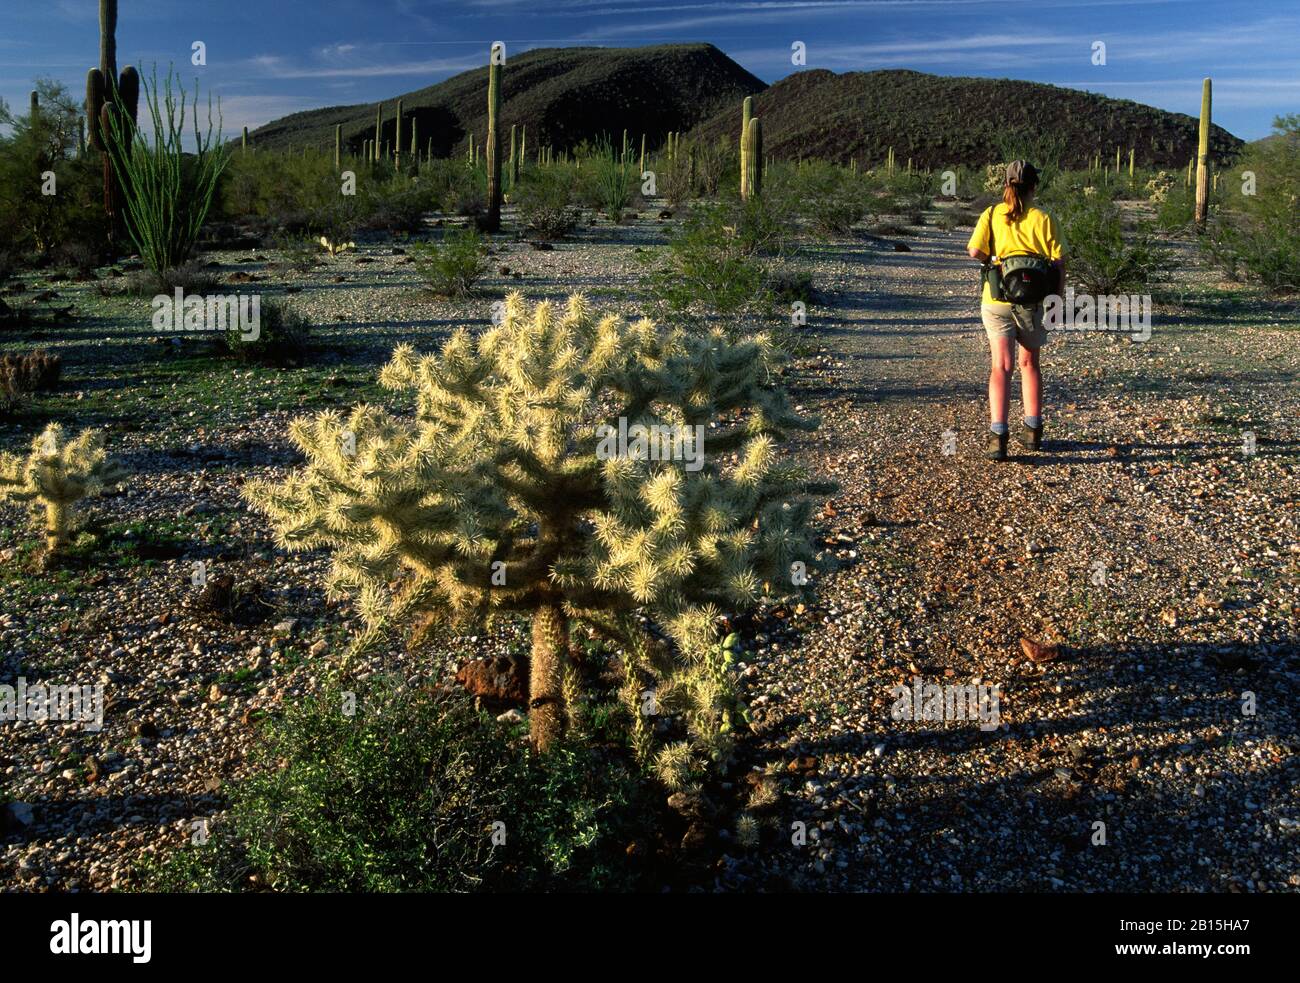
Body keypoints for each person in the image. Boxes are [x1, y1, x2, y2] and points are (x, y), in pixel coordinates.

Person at [966, 160, 1064, 461]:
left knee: (1001, 366)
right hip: (1034, 301)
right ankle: (1033, 431)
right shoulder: (1044, 218)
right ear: (1035, 185)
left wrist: (995, 257)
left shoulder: (992, 214)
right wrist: (1057, 298)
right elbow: (1058, 262)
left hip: (997, 299)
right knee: (1029, 363)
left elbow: (974, 251)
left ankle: (998, 436)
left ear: (1005, 184)